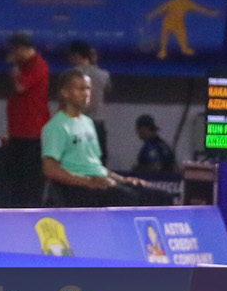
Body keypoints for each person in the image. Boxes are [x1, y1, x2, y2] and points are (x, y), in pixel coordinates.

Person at [43, 68, 159, 207]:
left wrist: (123, 179)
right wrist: (88, 182)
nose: (86, 94)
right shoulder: (56, 126)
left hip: (98, 181)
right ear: (65, 93)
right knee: (128, 198)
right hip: (76, 188)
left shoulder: (88, 122)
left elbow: (96, 166)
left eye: (88, 89)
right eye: (81, 89)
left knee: (157, 196)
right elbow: (51, 169)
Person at [3, 33, 50, 206]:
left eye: (14, 51)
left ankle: (30, 209)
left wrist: (13, 66)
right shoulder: (24, 65)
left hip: (32, 132)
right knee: (16, 176)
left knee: (29, 178)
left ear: (22, 49)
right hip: (18, 130)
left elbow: (20, 87)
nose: (12, 54)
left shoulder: (37, 65)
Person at [65, 41, 111, 118]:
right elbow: (107, 92)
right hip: (97, 118)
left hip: (77, 119)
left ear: (76, 55)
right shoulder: (104, 75)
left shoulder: (69, 75)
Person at [132, 113, 179, 178]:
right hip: (171, 182)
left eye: (139, 129)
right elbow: (175, 168)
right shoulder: (165, 146)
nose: (138, 133)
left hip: (154, 181)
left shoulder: (149, 147)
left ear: (143, 129)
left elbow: (155, 167)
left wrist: (138, 169)